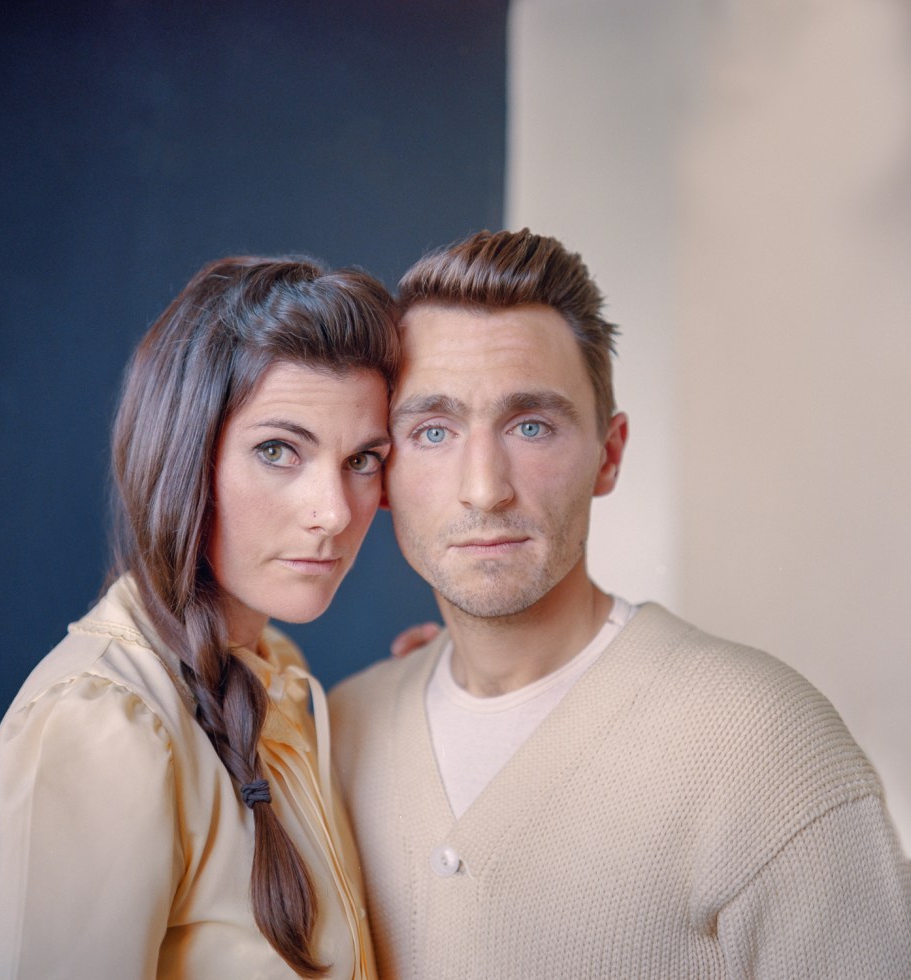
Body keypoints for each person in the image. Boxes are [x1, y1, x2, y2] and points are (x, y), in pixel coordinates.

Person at [329, 228, 911, 978]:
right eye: (433, 430)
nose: (484, 487)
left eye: (531, 426)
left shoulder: (769, 747)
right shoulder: (339, 731)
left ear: (609, 454)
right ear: (381, 471)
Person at [0, 255, 400, 979]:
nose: (334, 513)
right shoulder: (99, 724)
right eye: (278, 450)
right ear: (183, 456)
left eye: (362, 460)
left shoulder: (281, 674)